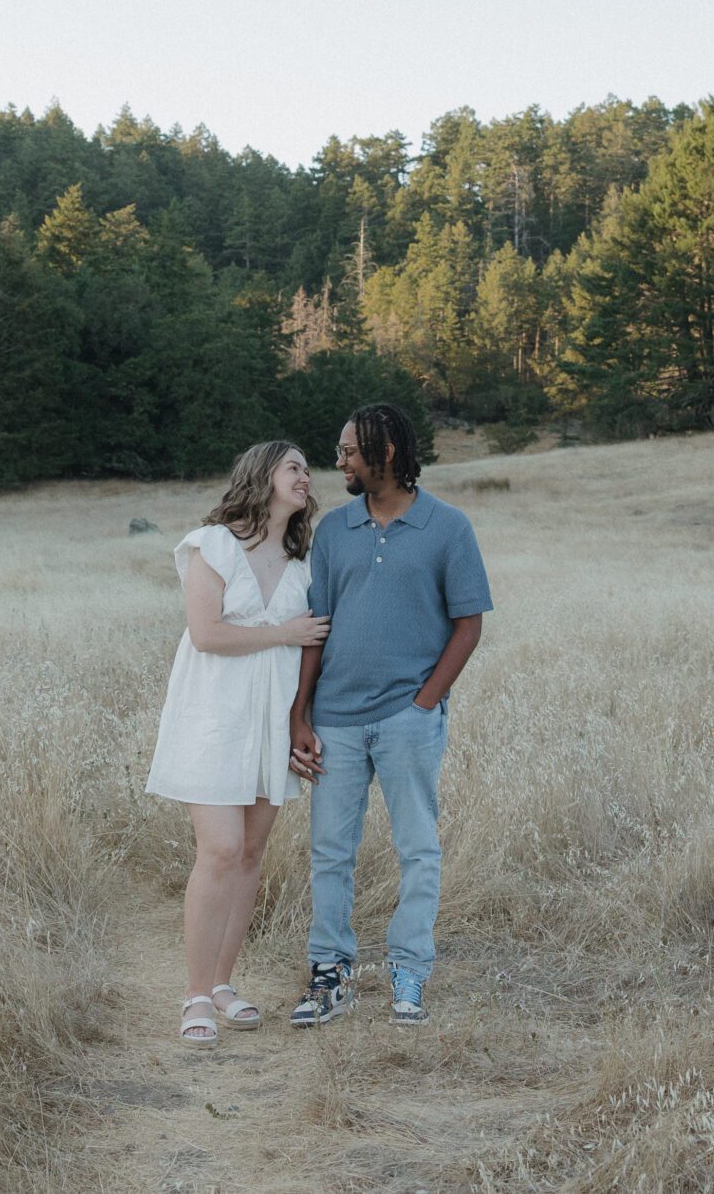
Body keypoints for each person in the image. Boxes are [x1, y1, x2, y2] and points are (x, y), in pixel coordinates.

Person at [286, 402, 492, 1028]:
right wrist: (301, 714)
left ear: (387, 454)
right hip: (336, 720)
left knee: (417, 849)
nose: (339, 461)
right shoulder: (334, 531)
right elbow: (316, 629)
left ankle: (409, 969)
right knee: (330, 852)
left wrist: (425, 701)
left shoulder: (447, 527)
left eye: (349, 451)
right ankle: (331, 973)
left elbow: (469, 623)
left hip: (407, 718)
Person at [145, 440, 330, 1047]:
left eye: (308, 469)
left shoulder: (303, 564)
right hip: (214, 717)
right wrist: (285, 631)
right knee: (220, 850)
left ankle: (224, 984)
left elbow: (312, 648)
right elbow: (206, 633)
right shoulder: (215, 544)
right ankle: (196, 995)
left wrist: (302, 721)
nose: (306, 477)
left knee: (251, 855)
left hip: (271, 721)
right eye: (293, 467)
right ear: (262, 474)